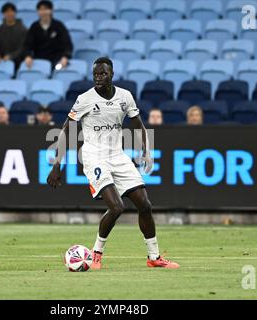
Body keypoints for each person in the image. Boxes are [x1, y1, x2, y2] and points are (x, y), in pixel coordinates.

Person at [47, 57, 179, 269]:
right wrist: (56, 165)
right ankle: (96, 254)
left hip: (118, 156)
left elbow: (138, 125)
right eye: (96, 74)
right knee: (117, 207)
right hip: (93, 157)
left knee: (145, 205)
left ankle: (154, 258)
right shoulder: (85, 99)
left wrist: (147, 151)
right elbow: (66, 129)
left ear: (112, 74)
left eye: (103, 74)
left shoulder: (125, 96)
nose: (99, 78)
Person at [23, 0, 73, 69]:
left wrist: (65, 57)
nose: (43, 12)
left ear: (51, 10)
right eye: (40, 9)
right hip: (39, 60)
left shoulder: (59, 26)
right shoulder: (34, 26)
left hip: (57, 59)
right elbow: (27, 45)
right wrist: (28, 56)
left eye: (46, 9)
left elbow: (68, 45)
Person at [0, 2, 27, 68]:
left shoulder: (23, 30)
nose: (9, 14)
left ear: (15, 13)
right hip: (0, 61)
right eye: (7, 12)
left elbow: (23, 47)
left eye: (11, 11)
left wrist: (11, 56)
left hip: (18, 62)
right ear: (3, 14)